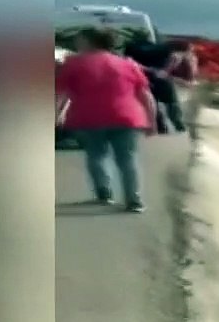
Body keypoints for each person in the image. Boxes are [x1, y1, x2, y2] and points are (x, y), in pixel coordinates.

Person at [55, 27, 155, 212]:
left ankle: (104, 193)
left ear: (88, 41)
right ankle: (134, 200)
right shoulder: (127, 64)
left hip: (89, 117)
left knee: (96, 155)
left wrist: (56, 115)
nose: (76, 43)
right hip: (127, 117)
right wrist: (152, 121)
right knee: (127, 159)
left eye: (79, 39)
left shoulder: (74, 63)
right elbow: (145, 95)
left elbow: (61, 93)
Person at [125, 39, 186, 134]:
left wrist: (146, 69)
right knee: (171, 105)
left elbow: (131, 63)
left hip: (146, 80)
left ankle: (162, 128)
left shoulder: (132, 48)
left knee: (154, 105)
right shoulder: (162, 48)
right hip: (162, 80)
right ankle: (180, 127)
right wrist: (166, 70)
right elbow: (175, 57)